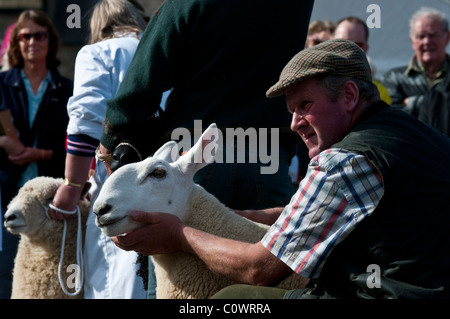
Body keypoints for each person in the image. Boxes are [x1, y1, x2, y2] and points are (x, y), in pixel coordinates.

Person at [110, 40, 450, 299]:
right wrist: (253, 216)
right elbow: (356, 209)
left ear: (348, 96)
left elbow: (258, 269)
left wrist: (179, 234)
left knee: (236, 297)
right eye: (290, 110)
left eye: (305, 105)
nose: (295, 123)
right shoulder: (413, 133)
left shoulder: (345, 160)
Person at [49, 0, 148, 299]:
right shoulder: (159, 51)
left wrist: (72, 185)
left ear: (99, 26)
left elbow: (86, 121)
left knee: (115, 280)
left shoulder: (96, 53)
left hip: (114, 182)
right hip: (163, 181)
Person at [0, 9, 72, 299]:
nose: (32, 41)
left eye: (39, 35)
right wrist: (5, 142)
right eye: (25, 36)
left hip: (49, 197)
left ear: (50, 41)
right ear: (17, 42)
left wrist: (41, 154)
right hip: (7, 192)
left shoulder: (66, 89)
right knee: (6, 274)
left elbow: (77, 144)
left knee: (49, 273)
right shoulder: (2, 85)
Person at [382, 7, 450, 117]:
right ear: (412, 42)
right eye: (421, 36)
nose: (427, 41)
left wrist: (413, 103)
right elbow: (390, 118)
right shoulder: (394, 77)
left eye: (432, 35)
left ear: (447, 38)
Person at [333, 16, 391, 104]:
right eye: (341, 43)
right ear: (330, 43)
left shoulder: (380, 94)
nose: (347, 50)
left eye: (357, 45)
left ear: (366, 48)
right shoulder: (314, 82)